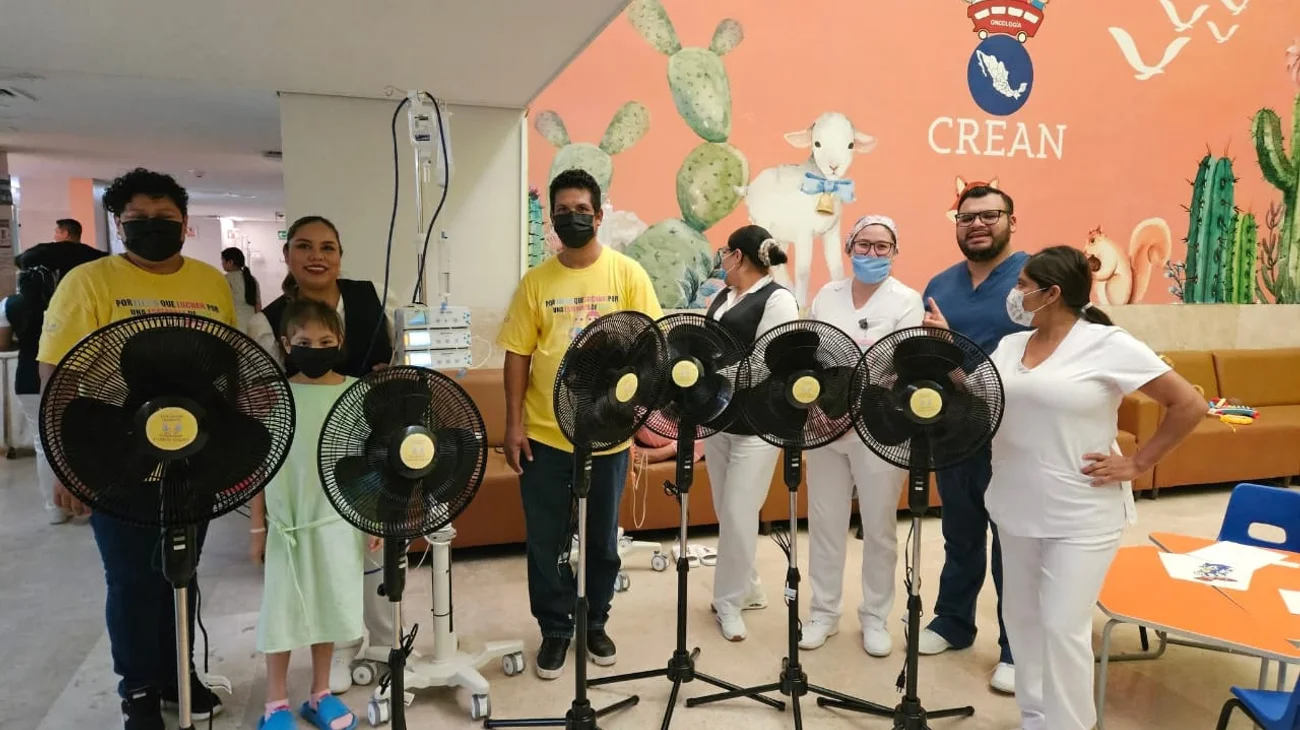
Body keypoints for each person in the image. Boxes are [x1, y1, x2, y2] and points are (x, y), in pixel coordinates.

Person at [926, 246, 1202, 730]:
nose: (1014, 294)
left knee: (1062, 628)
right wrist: (946, 346)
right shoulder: (1013, 346)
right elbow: (978, 395)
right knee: (1024, 623)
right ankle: (1036, 719)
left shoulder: (1107, 344)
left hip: (1081, 513)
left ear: (1051, 293)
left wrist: (1138, 462)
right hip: (1015, 506)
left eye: (1021, 285)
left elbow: (1189, 404)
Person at [37, 168, 236, 729]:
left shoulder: (209, 283)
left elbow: (227, 367)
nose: (153, 229)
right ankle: (139, 687)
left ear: (185, 224)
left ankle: (177, 672)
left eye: (165, 221)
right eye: (138, 222)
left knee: (181, 570)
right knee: (129, 577)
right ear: (118, 226)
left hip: (191, 457)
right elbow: (57, 373)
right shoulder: (88, 282)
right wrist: (64, 462)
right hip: (114, 453)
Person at [497, 168, 663, 679]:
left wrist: (635, 415)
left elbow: (650, 346)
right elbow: (518, 355)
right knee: (545, 538)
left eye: (582, 211)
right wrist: (512, 423)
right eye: (563, 211)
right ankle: (554, 627)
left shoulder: (627, 274)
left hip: (607, 434)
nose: (573, 219)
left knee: (600, 540)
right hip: (545, 435)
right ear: (552, 217)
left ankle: (595, 621)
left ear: (599, 214)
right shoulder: (536, 282)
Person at [247, 215, 395, 694]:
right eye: (305, 246)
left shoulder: (374, 299)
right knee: (305, 580)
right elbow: (262, 397)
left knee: (369, 560)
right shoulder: (266, 320)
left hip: (365, 443)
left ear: (340, 255)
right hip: (299, 464)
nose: (317, 256)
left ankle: (380, 645)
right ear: (288, 255)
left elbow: (404, 360)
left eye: (328, 247)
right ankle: (322, 669)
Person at [249, 297, 381, 730]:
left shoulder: (356, 392)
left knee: (328, 607)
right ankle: (276, 703)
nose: (316, 347)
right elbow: (262, 467)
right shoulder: (279, 396)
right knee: (282, 612)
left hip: (338, 523)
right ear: (287, 343)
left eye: (326, 340)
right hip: (289, 525)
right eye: (305, 341)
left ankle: (320, 693)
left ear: (340, 341)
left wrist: (371, 518)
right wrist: (257, 527)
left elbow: (365, 462)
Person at [917, 184, 1028, 693]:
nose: (977, 225)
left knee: (1012, 542)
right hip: (953, 430)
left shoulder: (1034, 279)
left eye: (989, 216)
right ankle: (952, 623)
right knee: (960, 534)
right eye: (965, 218)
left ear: (1011, 220)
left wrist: (952, 348)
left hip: (1015, 434)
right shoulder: (940, 284)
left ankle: (1015, 648)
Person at [801, 215, 922, 656]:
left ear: (894, 252)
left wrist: (851, 410)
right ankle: (824, 614)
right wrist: (819, 409)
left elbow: (896, 364)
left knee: (879, 527)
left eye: (882, 247)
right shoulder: (826, 295)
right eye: (864, 244)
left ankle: (875, 616)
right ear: (849, 246)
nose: (872, 254)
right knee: (825, 522)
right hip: (824, 424)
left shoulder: (907, 300)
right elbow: (814, 354)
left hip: (879, 425)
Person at [702, 224, 800, 642]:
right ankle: (751, 586)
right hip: (717, 421)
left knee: (741, 512)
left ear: (738, 256)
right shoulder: (723, 297)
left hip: (757, 424)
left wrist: (707, 379)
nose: (721, 258)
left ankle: (727, 602)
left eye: (725, 252)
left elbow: (765, 365)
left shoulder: (778, 300)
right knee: (727, 511)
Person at [2, 255, 102, 524]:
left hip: (27, 379)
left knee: (43, 444)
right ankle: (90, 503)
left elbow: (2, 343)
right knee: (81, 441)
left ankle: (54, 508)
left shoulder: (9, 305)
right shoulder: (66, 303)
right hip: (71, 378)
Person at [221, 246, 261, 333]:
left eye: (223, 261)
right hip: (251, 326)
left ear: (230, 262)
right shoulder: (252, 279)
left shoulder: (224, 279)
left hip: (234, 326)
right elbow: (258, 306)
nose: (222, 264)